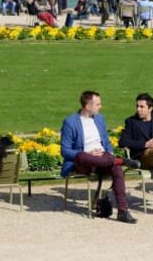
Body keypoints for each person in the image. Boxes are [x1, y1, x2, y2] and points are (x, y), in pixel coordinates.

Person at [59, 90, 137, 224]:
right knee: (82, 155)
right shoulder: (70, 122)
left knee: (117, 169)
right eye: (98, 104)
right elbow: (65, 151)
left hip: (104, 158)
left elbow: (106, 142)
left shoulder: (100, 119)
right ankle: (121, 160)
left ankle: (123, 211)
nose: (100, 107)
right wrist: (88, 154)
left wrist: (110, 151)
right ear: (88, 106)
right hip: (84, 162)